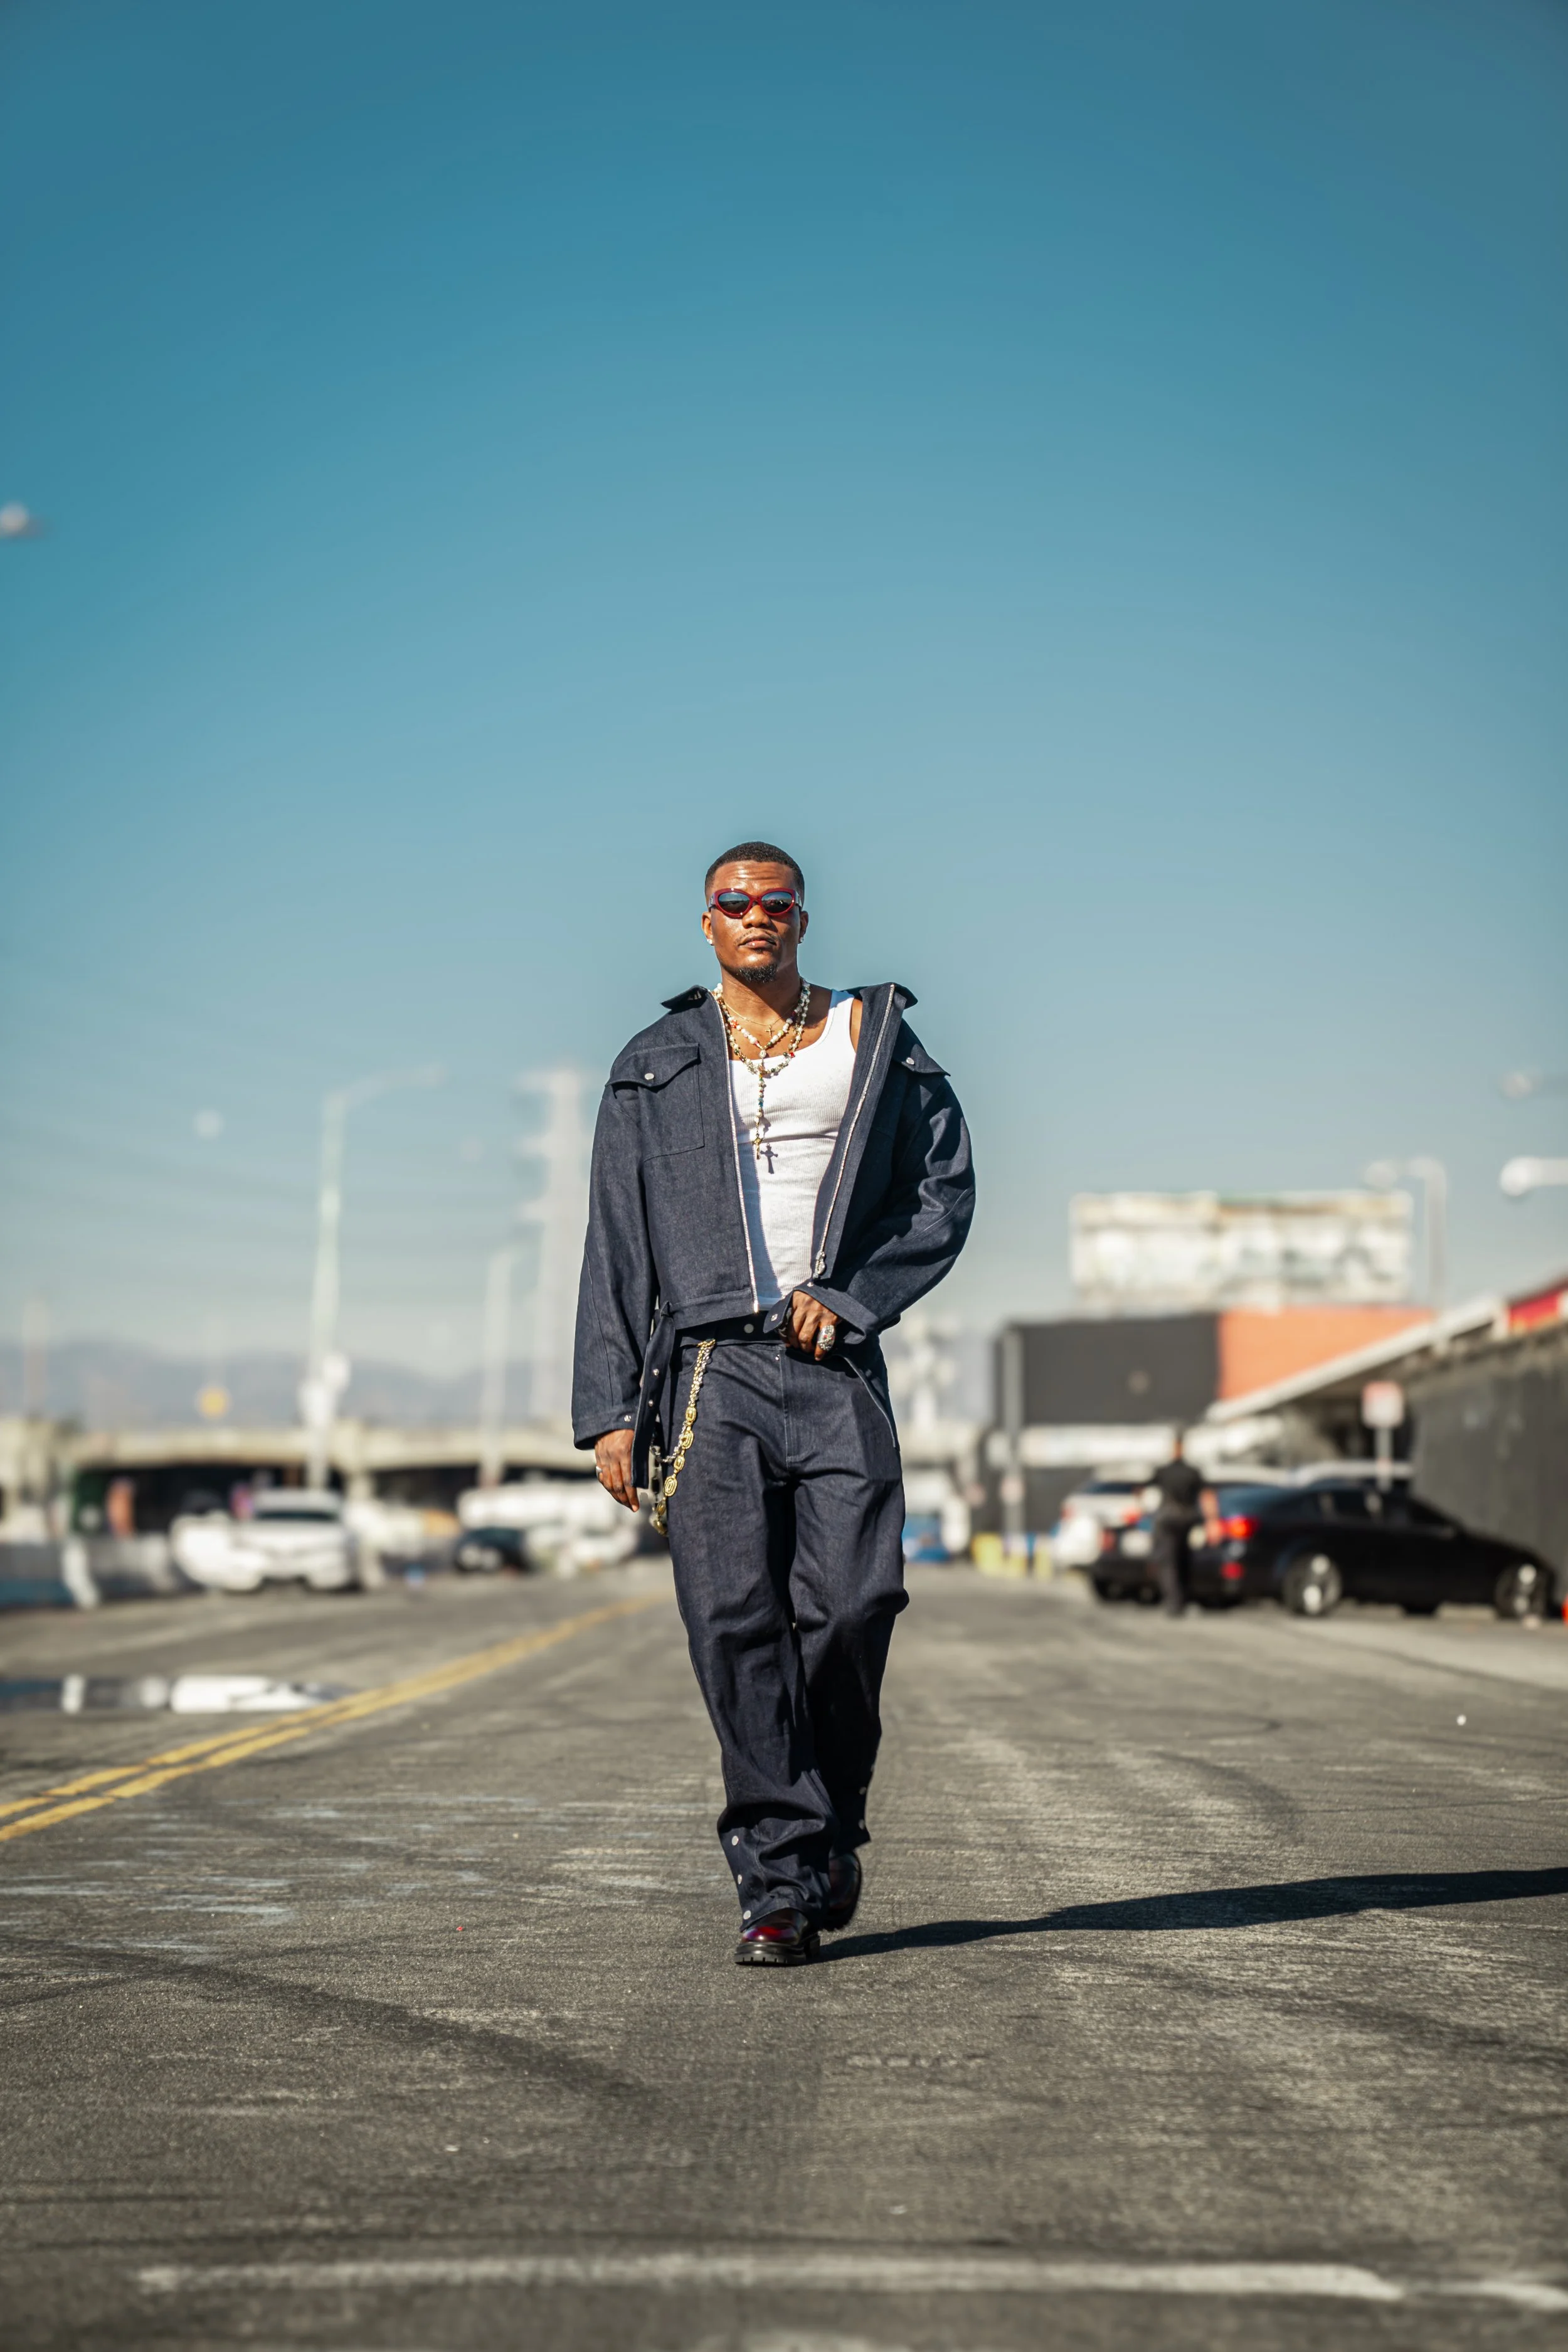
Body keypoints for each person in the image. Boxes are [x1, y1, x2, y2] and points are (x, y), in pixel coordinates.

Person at [573, 842, 975, 1966]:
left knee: (855, 1603)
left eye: (777, 901)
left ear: (803, 918)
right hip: (708, 1373)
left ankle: (831, 1815)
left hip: (834, 1365)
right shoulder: (653, 1064)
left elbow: (941, 1193)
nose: (757, 915)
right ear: (706, 922)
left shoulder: (872, 1037)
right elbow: (615, 1241)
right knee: (733, 1625)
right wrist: (610, 1406)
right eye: (734, 901)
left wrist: (853, 1297)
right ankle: (781, 1881)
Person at [1147, 1433, 1219, 1616]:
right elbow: (1208, 1496)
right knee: (1183, 1560)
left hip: (1169, 1519)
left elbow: (1144, 1493)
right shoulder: (1191, 1472)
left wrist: (1212, 1521)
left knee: (1169, 1563)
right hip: (1188, 1518)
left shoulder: (1164, 1471)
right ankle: (1181, 1601)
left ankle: (1175, 1603)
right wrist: (1212, 1521)